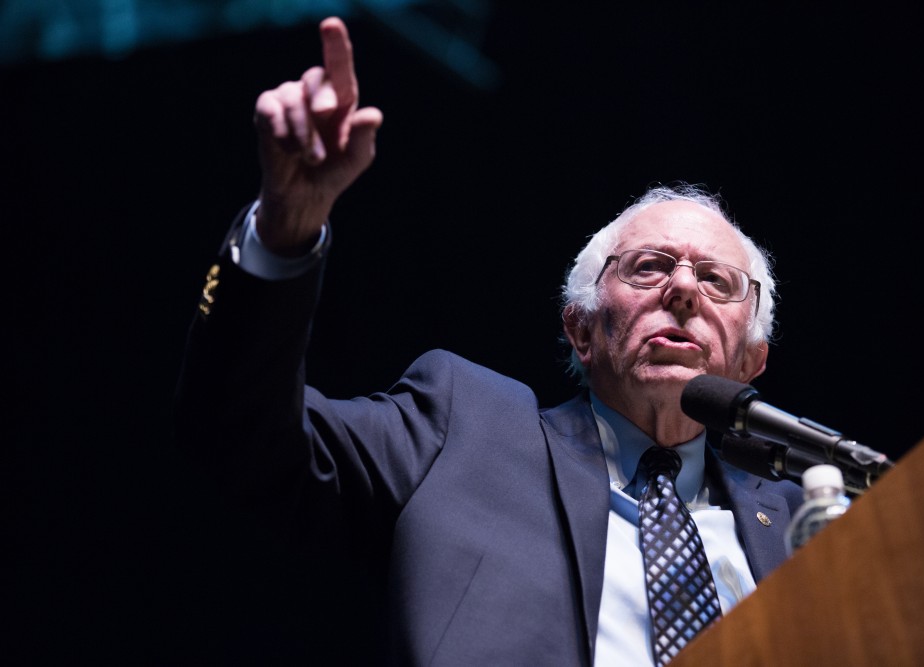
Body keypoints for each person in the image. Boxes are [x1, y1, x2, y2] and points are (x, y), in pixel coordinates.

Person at [174, 16, 803, 666]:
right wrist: (285, 228)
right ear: (580, 327)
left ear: (752, 360)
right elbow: (239, 436)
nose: (683, 289)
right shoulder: (463, 428)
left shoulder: (807, 521)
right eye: (648, 265)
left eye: (716, 279)